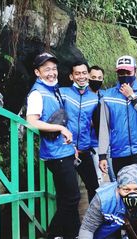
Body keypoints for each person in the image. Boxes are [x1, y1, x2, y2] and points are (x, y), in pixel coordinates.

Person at [26, 52, 80, 239]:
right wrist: (60, 129)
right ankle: (53, 234)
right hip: (54, 154)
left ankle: (71, 235)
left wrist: (71, 146)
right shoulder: (37, 93)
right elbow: (31, 121)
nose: (51, 72)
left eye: (54, 68)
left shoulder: (53, 90)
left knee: (67, 196)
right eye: (46, 69)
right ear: (37, 72)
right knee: (73, 196)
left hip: (63, 151)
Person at [98, 55, 137, 175]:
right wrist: (102, 155)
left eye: (128, 71)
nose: (125, 75)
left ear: (135, 71)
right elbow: (104, 127)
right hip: (119, 151)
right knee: (122, 188)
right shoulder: (108, 96)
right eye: (121, 72)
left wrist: (133, 97)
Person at [59, 61, 100, 203]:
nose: (81, 76)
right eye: (77, 73)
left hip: (84, 150)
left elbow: (98, 125)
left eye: (84, 73)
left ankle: (93, 222)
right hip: (66, 150)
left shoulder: (95, 98)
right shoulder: (62, 93)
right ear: (71, 76)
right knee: (68, 193)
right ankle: (69, 225)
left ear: (88, 75)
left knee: (94, 188)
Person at [88, 65, 116, 183]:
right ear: (88, 77)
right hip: (93, 144)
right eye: (93, 77)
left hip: (109, 143)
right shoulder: (84, 97)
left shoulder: (106, 96)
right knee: (98, 179)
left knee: (115, 177)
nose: (97, 80)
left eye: (100, 77)